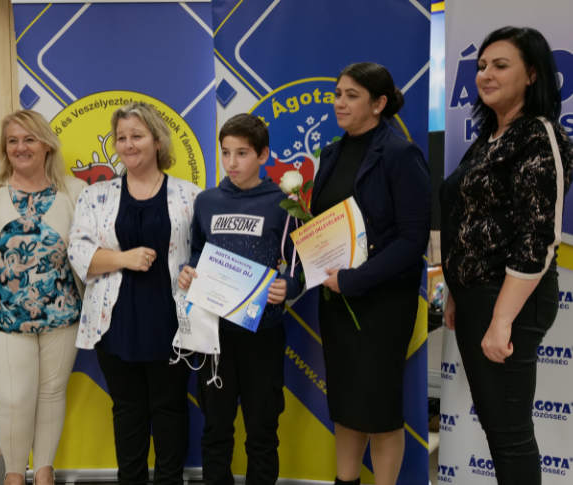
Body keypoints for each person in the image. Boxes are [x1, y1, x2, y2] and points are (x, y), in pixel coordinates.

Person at [440, 27, 573, 485]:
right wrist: (456, 290)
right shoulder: (489, 138)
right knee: (500, 430)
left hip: (509, 299)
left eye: (500, 65)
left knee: (510, 435)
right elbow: (472, 222)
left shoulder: (538, 133)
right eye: (481, 66)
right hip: (478, 297)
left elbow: (539, 236)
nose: (485, 74)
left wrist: (501, 319)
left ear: (532, 74)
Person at [309, 63, 431, 485]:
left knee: (379, 410)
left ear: (379, 104)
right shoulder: (331, 153)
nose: (339, 103)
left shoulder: (401, 154)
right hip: (336, 301)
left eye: (351, 95)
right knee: (346, 403)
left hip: (383, 305)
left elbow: (412, 240)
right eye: (337, 94)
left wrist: (353, 280)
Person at [68, 102, 200, 485]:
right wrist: (123, 258)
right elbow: (78, 252)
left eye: (137, 136)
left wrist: (195, 272)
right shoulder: (95, 196)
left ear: (157, 141)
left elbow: (204, 254)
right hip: (115, 323)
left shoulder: (190, 196)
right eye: (121, 137)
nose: (128, 144)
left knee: (170, 409)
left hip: (171, 323)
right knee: (127, 411)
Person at [0, 110, 87, 485]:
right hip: (4, 315)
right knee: (14, 399)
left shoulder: (75, 192)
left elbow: (92, 250)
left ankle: (44, 472)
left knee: (51, 394)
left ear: (47, 145)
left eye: (29, 139)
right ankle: (13, 475)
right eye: (12, 141)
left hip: (62, 313)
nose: (20, 147)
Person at [177, 113, 304, 485]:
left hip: (262, 332)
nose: (231, 163)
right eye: (225, 153)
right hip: (214, 333)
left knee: (262, 430)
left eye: (242, 153)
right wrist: (188, 272)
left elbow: (301, 264)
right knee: (215, 429)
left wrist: (288, 286)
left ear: (263, 155)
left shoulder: (285, 203)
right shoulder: (207, 201)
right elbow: (197, 251)